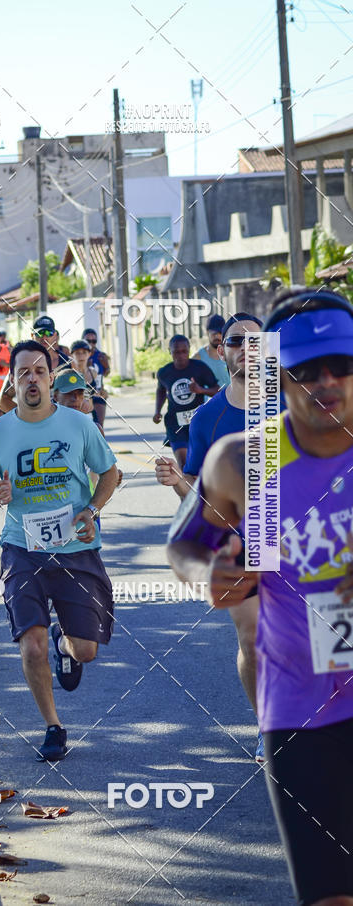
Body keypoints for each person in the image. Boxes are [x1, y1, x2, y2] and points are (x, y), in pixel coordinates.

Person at [166, 288, 353, 906]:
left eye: (343, 365)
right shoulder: (246, 459)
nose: (326, 382)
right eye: (305, 370)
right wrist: (207, 577)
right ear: (278, 372)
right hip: (300, 712)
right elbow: (185, 546)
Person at [0, 340, 119, 762]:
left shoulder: (77, 425)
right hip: (22, 549)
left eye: (40, 371)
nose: (32, 379)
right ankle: (53, 727)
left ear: (51, 378)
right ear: (12, 381)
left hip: (76, 548)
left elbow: (111, 472)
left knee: (86, 650)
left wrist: (92, 508)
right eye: (23, 373)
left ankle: (64, 642)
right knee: (30, 645)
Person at [155, 312, 265, 761]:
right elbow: (201, 499)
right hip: (240, 542)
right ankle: (269, 728)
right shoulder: (207, 418)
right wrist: (179, 480)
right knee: (253, 635)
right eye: (237, 341)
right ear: (222, 351)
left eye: (258, 343)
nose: (247, 350)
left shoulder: (298, 403)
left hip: (301, 541)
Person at [153, 334, 219, 470]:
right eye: (176, 352)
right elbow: (161, 390)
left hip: (199, 421)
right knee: (184, 465)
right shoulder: (164, 372)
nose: (181, 356)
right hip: (175, 424)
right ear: (170, 352)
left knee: (201, 464)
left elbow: (217, 390)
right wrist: (157, 411)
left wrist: (201, 390)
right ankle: (189, 490)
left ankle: (202, 490)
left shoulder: (200, 368)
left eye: (184, 351)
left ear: (189, 350)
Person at [0, 316, 71, 414]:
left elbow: (77, 395)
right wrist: (29, 417)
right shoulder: (22, 362)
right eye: (39, 333)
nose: (44, 337)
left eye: (49, 333)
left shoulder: (66, 361)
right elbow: (2, 401)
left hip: (61, 422)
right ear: (32, 335)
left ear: (55, 336)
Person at [193, 314, 230, 396]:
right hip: (209, 405)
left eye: (220, 333)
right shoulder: (198, 358)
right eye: (213, 333)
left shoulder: (232, 353)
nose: (217, 336)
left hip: (232, 403)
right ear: (207, 332)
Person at [82, 328, 110, 429]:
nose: (91, 343)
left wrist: (105, 365)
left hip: (98, 393)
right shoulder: (79, 355)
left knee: (99, 426)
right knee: (85, 426)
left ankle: (100, 444)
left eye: (94, 341)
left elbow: (106, 373)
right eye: (88, 341)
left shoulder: (101, 356)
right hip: (83, 395)